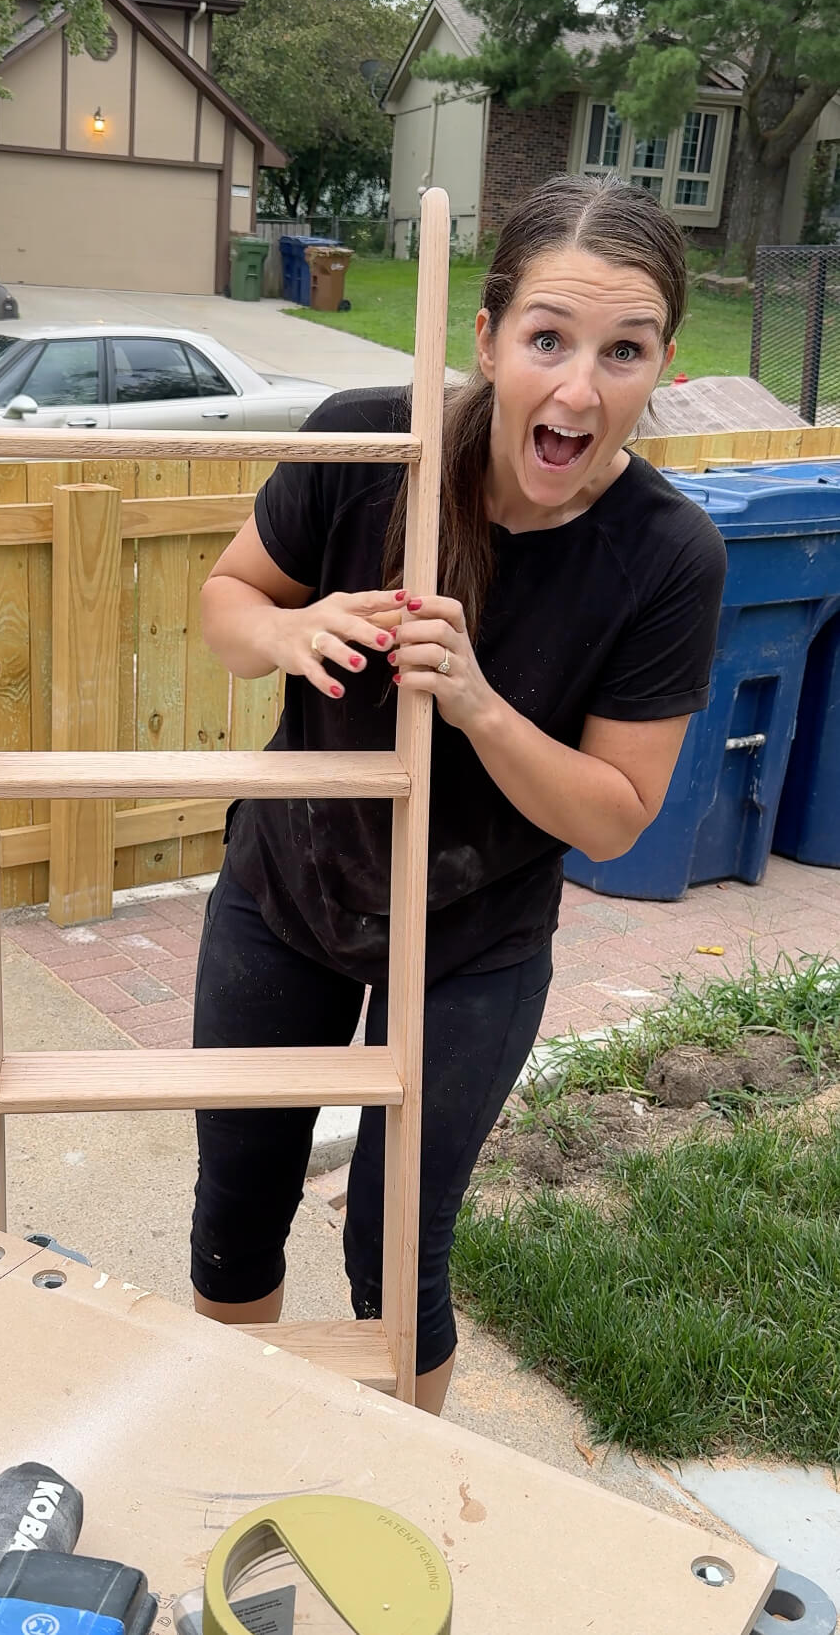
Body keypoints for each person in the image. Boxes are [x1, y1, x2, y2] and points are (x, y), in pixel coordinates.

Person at [189, 173, 727, 1415]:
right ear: (486, 337)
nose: (580, 389)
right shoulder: (366, 445)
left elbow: (613, 814)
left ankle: (394, 1496)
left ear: (662, 368)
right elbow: (226, 608)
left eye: (623, 351)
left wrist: (482, 704)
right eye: (549, 339)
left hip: (475, 944)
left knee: (396, 1249)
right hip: (290, 889)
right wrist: (288, 630)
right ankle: (227, 1448)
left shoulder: (664, 553)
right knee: (236, 1208)